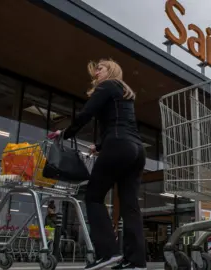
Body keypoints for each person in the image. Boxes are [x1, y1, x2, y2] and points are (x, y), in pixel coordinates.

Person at [48, 59, 146, 270]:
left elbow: (86, 114)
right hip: (136, 150)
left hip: (119, 145)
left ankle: (108, 253)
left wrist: (64, 133)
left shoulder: (108, 85)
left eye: (99, 69)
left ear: (110, 70)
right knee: (130, 206)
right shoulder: (124, 92)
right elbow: (122, 123)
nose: (96, 74)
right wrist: (100, 145)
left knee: (93, 196)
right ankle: (136, 262)